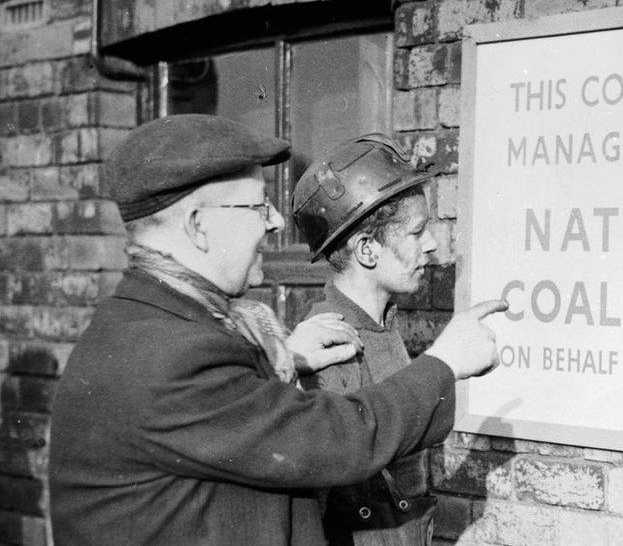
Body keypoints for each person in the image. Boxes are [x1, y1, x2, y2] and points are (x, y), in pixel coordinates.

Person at [48, 114, 506, 545]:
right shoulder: (173, 354)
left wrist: (282, 362)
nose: (275, 221)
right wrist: (445, 362)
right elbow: (338, 440)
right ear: (198, 226)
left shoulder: (157, 325)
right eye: (256, 206)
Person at [291, 134, 441, 545]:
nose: (432, 246)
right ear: (367, 250)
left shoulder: (381, 323)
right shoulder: (333, 341)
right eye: (417, 231)